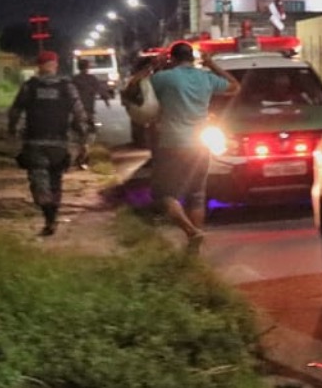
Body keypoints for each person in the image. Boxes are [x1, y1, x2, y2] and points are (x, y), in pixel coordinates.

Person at [125, 42, 239, 252]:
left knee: (163, 194)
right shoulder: (205, 77)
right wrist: (211, 64)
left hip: (172, 144)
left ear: (172, 58)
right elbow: (234, 86)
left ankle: (191, 231)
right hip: (199, 144)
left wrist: (151, 66)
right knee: (196, 195)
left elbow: (133, 87)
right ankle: (194, 247)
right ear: (192, 58)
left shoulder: (163, 78)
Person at [8, 50, 87, 237]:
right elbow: (80, 114)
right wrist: (83, 139)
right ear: (55, 65)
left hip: (35, 143)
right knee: (55, 181)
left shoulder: (30, 87)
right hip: (59, 144)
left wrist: (12, 131)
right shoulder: (67, 87)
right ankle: (52, 218)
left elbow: (15, 111)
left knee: (39, 183)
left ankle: (49, 217)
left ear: (39, 66)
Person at [70, 57, 113, 169]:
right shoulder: (92, 79)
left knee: (78, 134)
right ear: (88, 67)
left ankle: (80, 154)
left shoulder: (73, 80)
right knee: (91, 133)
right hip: (89, 112)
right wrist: (107, 101)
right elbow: (102, 91)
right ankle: (84, 153)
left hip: (75, 113)